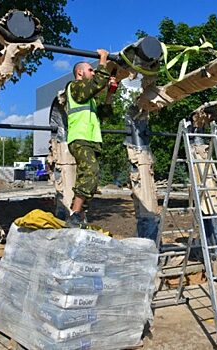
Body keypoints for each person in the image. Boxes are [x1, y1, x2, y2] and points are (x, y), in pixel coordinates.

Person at [65, 49, 117, 227]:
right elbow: (97, 82)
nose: (93, 72)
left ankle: (79, 215)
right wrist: (103, 59)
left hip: (91, 140)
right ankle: (75, 213)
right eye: (91, 70)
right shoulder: (74, 87)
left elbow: (106, 113)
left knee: (92, 179)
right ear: (80, 72)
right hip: (79, 138)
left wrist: (110, 94)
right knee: (90, 172)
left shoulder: (89, 99)